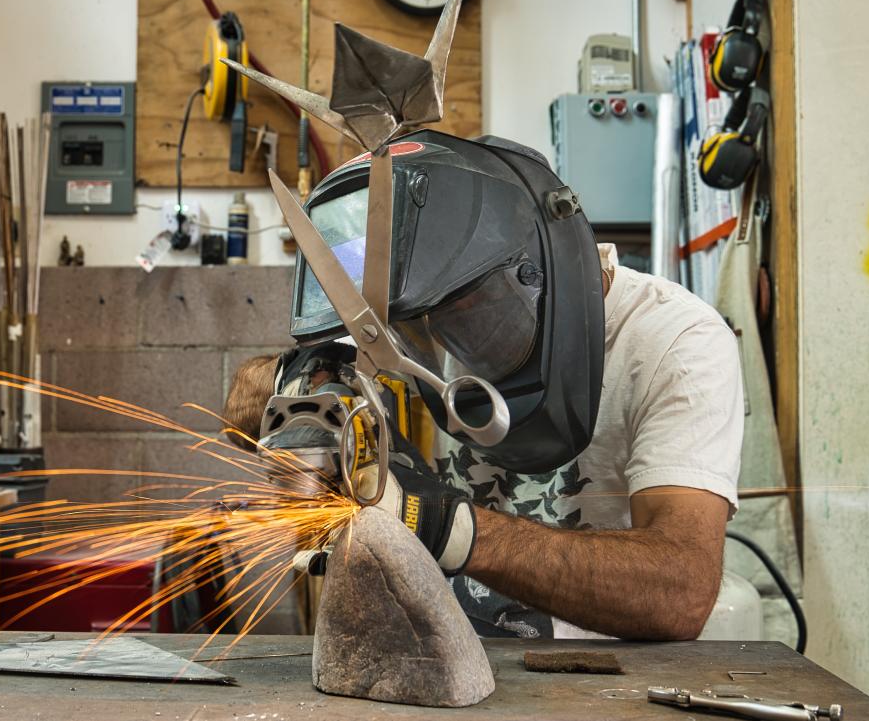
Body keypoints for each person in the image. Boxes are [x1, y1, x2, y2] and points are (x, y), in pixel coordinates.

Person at [224, 133, 743, 642]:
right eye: (420, 327)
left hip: (601, 669)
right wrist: (299, 384)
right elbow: (240, 412)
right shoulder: (425, 316)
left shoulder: (676, 341)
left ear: (538, 270)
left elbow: (680, 592)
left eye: (462, 316)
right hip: (458, 648)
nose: (442, 342)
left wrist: (449, 527)